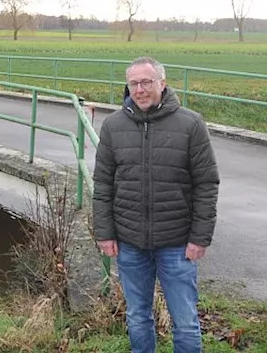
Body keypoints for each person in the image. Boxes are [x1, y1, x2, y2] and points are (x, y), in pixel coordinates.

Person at [93, 57, 220, 353]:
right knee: (138, 316)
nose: (140, 89)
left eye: (146, 82)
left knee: (185, 320)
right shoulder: (113, 126)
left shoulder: (190, 124)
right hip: (130, 242)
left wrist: (199, 237)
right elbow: (103, 184)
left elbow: (206, 184)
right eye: (134, 83)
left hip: (177, 243)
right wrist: (105, 232)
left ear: (162, 83)